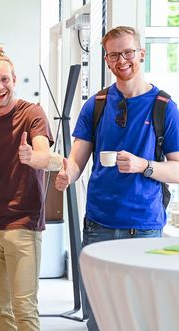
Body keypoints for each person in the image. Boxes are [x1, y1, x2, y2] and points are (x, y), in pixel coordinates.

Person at [55, 26, 179, 331]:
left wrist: (143, 165)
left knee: (140, 320)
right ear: (106, 59)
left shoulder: (166, 108)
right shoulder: (95, 105)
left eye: (127, 52)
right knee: (98, 320)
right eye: (114, 54)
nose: (122, 60)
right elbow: (77, 159)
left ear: (141, 54)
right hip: (97, 227)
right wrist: (66, 174)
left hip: (145, 229)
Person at [0, 50, 53, 331]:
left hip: (22, 221)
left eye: (4, 79)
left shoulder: (32, 113)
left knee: (24, 308)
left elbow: (43, 153)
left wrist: (33, 156)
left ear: (15, 79)